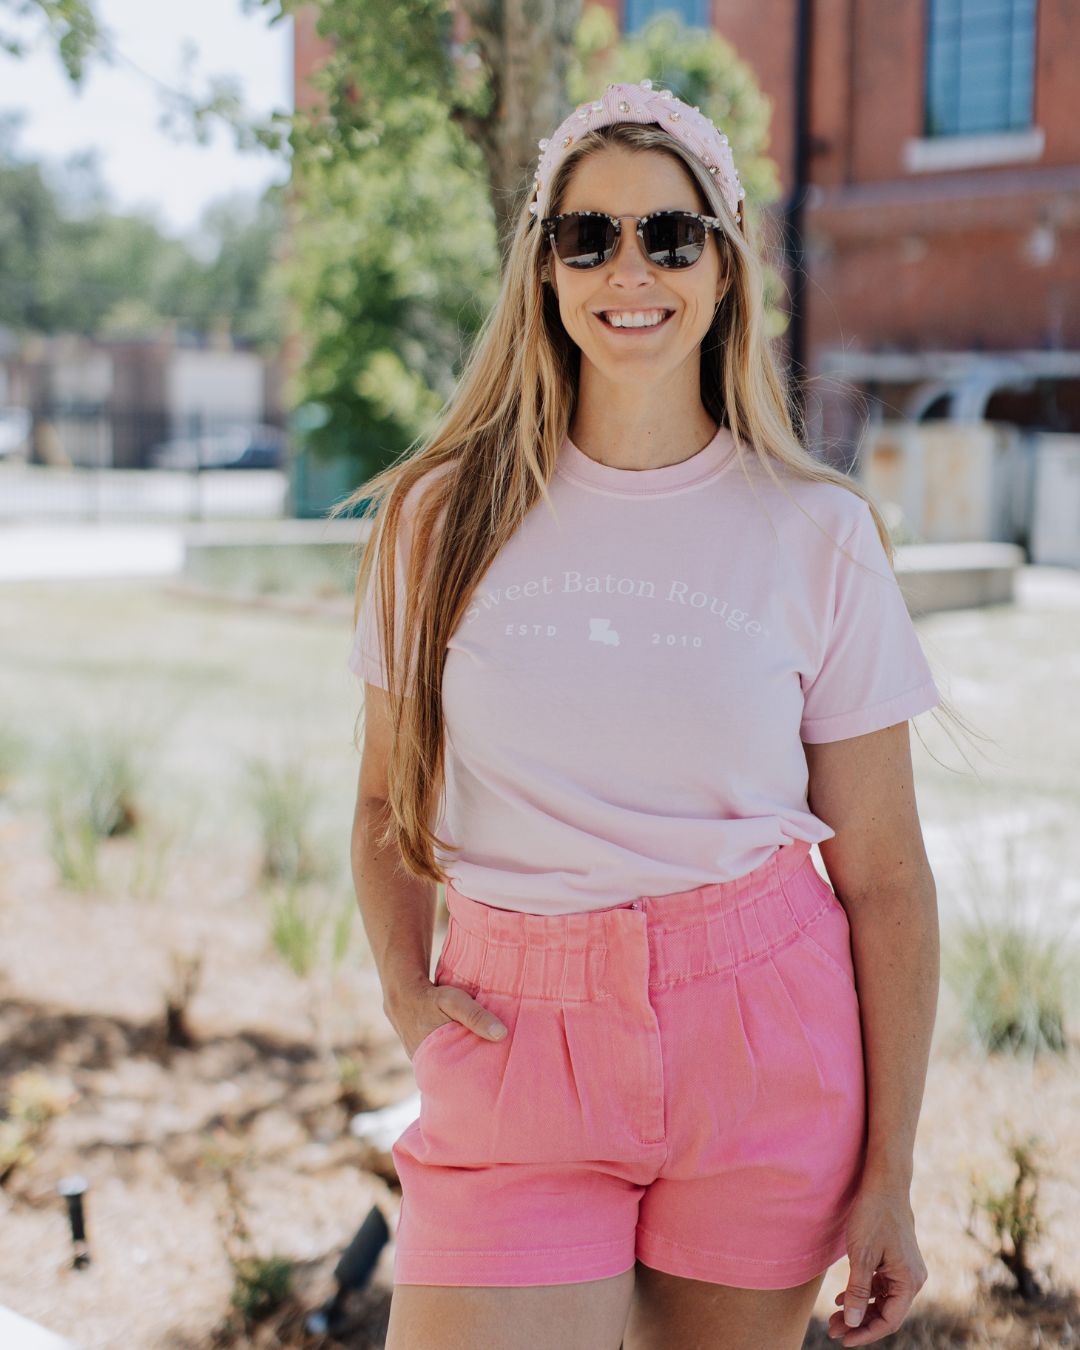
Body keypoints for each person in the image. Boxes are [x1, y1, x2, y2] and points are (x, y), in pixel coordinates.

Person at [347, 80, 940, 1350]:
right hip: (516, 1042)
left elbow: (885, 877)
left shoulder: (815, 532)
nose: (632, 268)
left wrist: (890, 1172)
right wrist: (408, 989)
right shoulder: (436, 521)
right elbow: (384, 805)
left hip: (765, 1049)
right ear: (546, 270)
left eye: (671, 235)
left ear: (725, 270)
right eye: (589, 235)